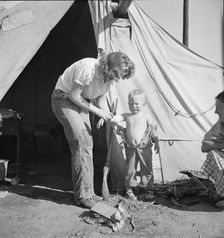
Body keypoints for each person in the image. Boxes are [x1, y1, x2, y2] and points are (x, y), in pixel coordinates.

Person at [51, 51, 135, 209]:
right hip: (63, 99)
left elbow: (101, 100)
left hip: (81, 102)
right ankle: (83, 195)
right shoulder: (88, 68)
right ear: (109, 65)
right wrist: (98, 112)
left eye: (120, 76)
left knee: (88, 143)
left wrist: (108, 117)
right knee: (81, 142)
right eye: (115, 73)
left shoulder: (109, 80)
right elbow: (74, 96)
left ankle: (88, 192)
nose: (116, 78)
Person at [108, 89, 160, 200]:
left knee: (146, 168)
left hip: (144, 148)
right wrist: (106, 119)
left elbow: (152, 130)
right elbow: (115, 119)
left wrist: (156, 141)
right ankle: (129, 190)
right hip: (131, 148)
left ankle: (148, 189)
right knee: (130, 169)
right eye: (131, 104)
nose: (133, 106)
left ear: (144, 104)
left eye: (136, 104)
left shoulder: (146, 116)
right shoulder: (126, 116)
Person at [201, 91, 224, 208]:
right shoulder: (221, 123)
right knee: (213, 154)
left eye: (218, 107)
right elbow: (205, 145)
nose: (215, 111)